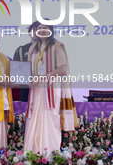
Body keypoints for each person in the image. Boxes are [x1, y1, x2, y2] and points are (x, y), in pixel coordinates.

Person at [24, 22, 78, 154]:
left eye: (45, 28)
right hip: (36, 90)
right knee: (34, 118)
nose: (42, 30)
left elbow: (63, 69)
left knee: (51, 118)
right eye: (40, 28)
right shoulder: (32, 49)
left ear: (51, 30)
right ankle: (33, 151)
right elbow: (29, 70)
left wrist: (43, 77)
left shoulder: (57, 46)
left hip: (52, 90)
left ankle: (50, 152)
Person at [12, 21, 39, 102]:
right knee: (25, 110)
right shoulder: (21, 49)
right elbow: (15, 69)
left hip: (43, 86)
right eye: (33, 30)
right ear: (29, 32)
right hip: (25, 86)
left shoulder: (49, 49)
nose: (35, 32)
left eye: (38, 30)